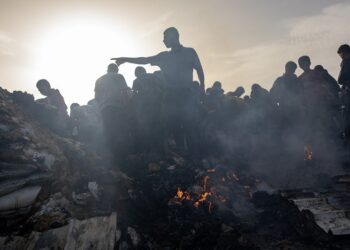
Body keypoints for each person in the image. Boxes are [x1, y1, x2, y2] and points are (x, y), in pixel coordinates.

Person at [112, 27, 205, 151]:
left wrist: (202, 87)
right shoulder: (163, 57)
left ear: (173, 37)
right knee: (175, 125)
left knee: (189, 124)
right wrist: (126, 59)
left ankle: (194, 152)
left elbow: (199, 69)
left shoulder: (189, 52)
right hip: (171, 96)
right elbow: (144, 60)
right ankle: (182, 153)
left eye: (165, 37)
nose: (163, 41)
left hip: (186, 95)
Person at [95, 63, 129, 163]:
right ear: (116, 69)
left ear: (107, 69)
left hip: (104, 109)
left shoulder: (99, 79)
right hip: (117, 106)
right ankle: (122, 157)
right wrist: (126, 106)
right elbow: (125, 92)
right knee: (120, 131)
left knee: (109, 132)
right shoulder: (119, 76)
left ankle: (112, 159)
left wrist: (100, 109)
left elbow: (96, 97)